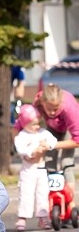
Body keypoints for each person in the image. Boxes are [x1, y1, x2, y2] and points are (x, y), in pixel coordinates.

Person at [31, 83, 79, 211]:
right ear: (43, 102)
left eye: (56, 108)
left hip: (69, 130)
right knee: (49, 163)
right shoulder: (38, 101)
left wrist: (53, 145)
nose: (52, 112)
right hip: (52, 128)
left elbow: (77, 140)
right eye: (49, 108)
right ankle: (52, 199)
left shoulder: (70, 108)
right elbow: (29, 120)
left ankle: (70, 203)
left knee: (66, 163)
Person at [13, 104, 57, 231]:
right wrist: (33, 150)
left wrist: (48, 144)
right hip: (28, 170)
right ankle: (22, 217)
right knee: (26, 193)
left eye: (38, 123)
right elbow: (21, 150)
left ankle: (43, 217)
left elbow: (53, 141)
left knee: (42, 193)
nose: (36, 127)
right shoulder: (22, 136)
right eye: (33, 124)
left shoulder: (43, 133)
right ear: (24, 123)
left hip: (41, 169)